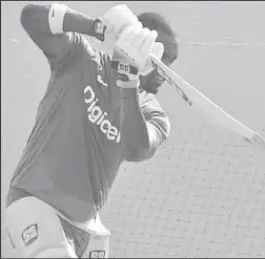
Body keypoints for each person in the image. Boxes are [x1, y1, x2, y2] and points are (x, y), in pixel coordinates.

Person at [4, 2, 179, 258]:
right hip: (35, 202)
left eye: (170, 63)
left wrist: (128, 79)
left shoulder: (153, 112)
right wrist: (97, 28)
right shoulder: (81, 58)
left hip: (87, 229)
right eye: (163, 59)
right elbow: (31, 18)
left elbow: (136, 148)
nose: (166, 73)